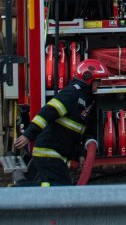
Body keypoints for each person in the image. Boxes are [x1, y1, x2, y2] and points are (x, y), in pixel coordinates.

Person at [12, 58, 107, 186]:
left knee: (57, 185)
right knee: (60, 187)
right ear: (88, 79)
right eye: (98, 81)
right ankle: (19, 190)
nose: (100, 84)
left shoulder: (86, 100)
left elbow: (77, 133)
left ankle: (21, 189)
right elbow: (47, 112)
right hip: (48, 152)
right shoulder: (71, 94)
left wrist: (79, 154)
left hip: (56, 153)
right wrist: (29, 134)